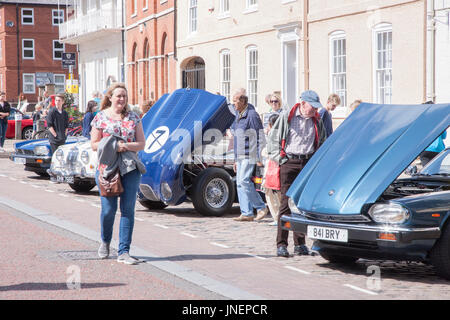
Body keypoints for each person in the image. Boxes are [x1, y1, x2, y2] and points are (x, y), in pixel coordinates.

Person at [90, 83, 146, 265]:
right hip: (108, 168)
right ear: (110, 97)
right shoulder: (100, 117)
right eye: (118, 96)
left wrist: (126, 146)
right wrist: (114, 145)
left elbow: (141, 144)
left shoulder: (134, 117)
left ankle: (124, 251)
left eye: (124, 96)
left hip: (130, 167)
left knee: (128, 209)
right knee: (108, 210)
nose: (122, 99)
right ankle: (105, 241)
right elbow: (94, 144)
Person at [267, 90, 326, 257]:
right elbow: (272, 141)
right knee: (286, 204)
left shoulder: (316, 120)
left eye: (316, 107)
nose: (314, 110)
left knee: (301, 205)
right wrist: (281, 159)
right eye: (312, 107)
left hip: (307, 163)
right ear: (303, 104)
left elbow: (322, 141)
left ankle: (300, 245)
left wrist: (316, 163)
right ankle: (281, 244)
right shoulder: (287, 117)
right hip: (289, 163)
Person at [232, 93, 268, 222]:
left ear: (242, 101)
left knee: (244, 181)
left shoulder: (252, 114)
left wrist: (259, 156)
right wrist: (235, 159)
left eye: (235, 101)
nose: (233, 104)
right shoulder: (238, 115)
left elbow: (260, 136)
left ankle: (261, 207)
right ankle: (247, 213)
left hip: (250, 154)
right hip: (240, 155)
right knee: (239, 184)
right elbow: (237, 138)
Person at [261, 113, 281, 225]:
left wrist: (263, 152)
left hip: (272, 167)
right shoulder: (280, 133)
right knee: (276, 192)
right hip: (275, 166)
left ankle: (277, 217)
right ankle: (278, 217)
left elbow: (268, 152)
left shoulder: (273, 135)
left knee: (271, 192)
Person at [419, 101, 447, 167]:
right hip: (438, 149)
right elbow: (444, 136)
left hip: (425, 149)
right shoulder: (439, 120)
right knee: (435, 170)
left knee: (426, 171)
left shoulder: (422, 120)